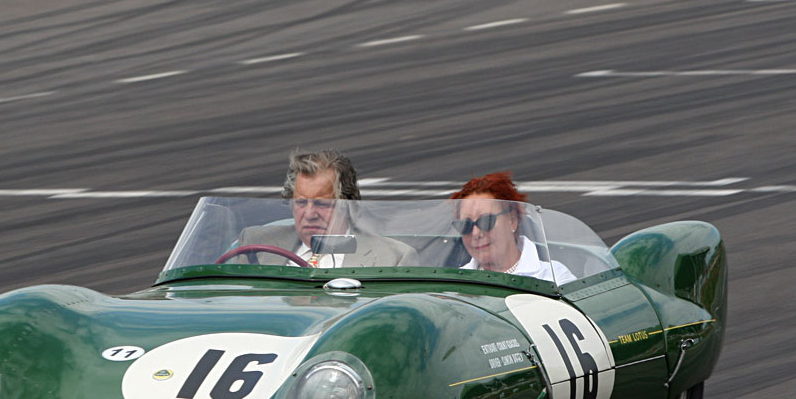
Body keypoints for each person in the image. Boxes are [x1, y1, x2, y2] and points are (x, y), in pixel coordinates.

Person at [234, 150, 419, 267]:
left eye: (322, 204)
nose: (309, 214)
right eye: (300, 202)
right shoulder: (254, 247)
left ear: (347, 205)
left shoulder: (393, 258)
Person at [449, 172, 576, 284]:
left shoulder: (554, 278)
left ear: (513, 220)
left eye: (486, 221)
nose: (476, 233)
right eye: (466, 225)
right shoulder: (453, 284)